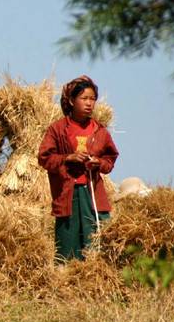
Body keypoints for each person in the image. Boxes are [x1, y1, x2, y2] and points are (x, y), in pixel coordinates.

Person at [38, 75, 119, 261]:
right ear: (71, 101)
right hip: (68, 193)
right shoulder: (57, 129)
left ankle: (96, 278)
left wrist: (98, 163)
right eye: (84, 98)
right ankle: (66, 281)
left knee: (96, 242)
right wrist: (68, 158)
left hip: (93, 194)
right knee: (67, 246)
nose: (89, 103)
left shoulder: (100, 131)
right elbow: (44, 157)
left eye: (92, 99)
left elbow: (110, 158)